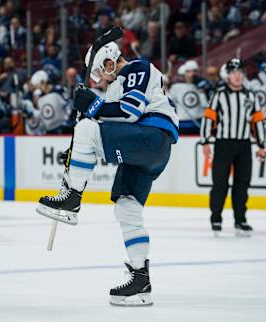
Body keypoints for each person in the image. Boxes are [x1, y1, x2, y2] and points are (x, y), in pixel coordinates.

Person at [37, 42, 179, 306]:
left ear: (110, 62)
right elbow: (106, 132)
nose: (101, 78)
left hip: (151, 136)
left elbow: (130, 111)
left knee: (85, 128)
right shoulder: (117, 86)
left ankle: (72, 199)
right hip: (148, 150)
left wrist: (92, 106)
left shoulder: (137, 68)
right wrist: (74, 153)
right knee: (127, 208)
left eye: (101, 72)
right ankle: (141, 280)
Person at [200, 58, 266, 238]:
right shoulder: (219, 95)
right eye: (234, 73)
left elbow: (258, 120)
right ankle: (216, 218)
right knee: (220, 183)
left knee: (242, 183)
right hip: (223, 143)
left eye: (240, 73)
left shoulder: (250, 96)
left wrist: (261, 144)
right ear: (228, 75)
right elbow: (208, 118)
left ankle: (240, 219)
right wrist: (205, 141)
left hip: (244, 145)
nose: (237, 76)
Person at [169, 60, 211, 134]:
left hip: (198, 121)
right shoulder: (176, 87)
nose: (191, 74)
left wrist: (203, 91)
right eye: (188, 71)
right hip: (182, 122)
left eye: (194, 71)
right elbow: (170, 103)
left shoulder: (201, 84)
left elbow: (205, 105)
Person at [30, 70, 71, 134]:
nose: (37, 89)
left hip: (64, 128)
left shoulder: (59, 90)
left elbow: (69, 104)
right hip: (50, 130)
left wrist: (68, 119)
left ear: (43, 82)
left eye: (37, 85)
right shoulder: (40, 98)